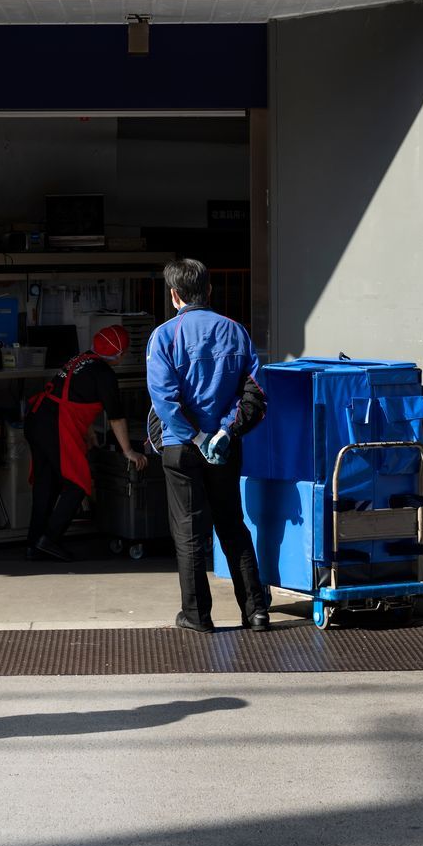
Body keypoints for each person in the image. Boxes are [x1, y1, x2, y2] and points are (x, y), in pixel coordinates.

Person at [145, 258, 271, 633]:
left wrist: (196, 435)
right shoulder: (236, 332)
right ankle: (257, 611)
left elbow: (164, 399)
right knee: (232, 525)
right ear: (209, 291)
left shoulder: (164, 336)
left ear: (174, 295)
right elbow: (256, 392)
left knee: (189, 531)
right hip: (224, 447)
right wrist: (225, 433)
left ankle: (198, 616)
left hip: (180, 447)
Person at [24, 324, 145, 561]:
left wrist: (88, 431)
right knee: (78, 482)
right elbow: (116, 417)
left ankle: (34, 543)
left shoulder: (80, 359)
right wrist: (128, 450)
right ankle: (49, 538)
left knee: (45, 483)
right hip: (54, 425)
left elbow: (73, 395)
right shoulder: (104, 374)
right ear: (119, 355)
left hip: (37, 419)